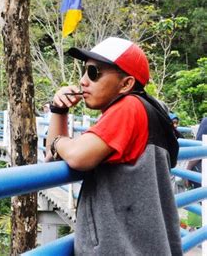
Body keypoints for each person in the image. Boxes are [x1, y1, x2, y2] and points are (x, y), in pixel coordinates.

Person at [45, 37, 181, 255]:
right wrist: (58, 111)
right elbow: (54, 157)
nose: (82, 81)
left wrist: (58, 142)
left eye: (93, 73)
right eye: (84, 71)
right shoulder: (151, 109)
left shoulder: (129, 107)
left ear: (126, 84)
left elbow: (77, 156)